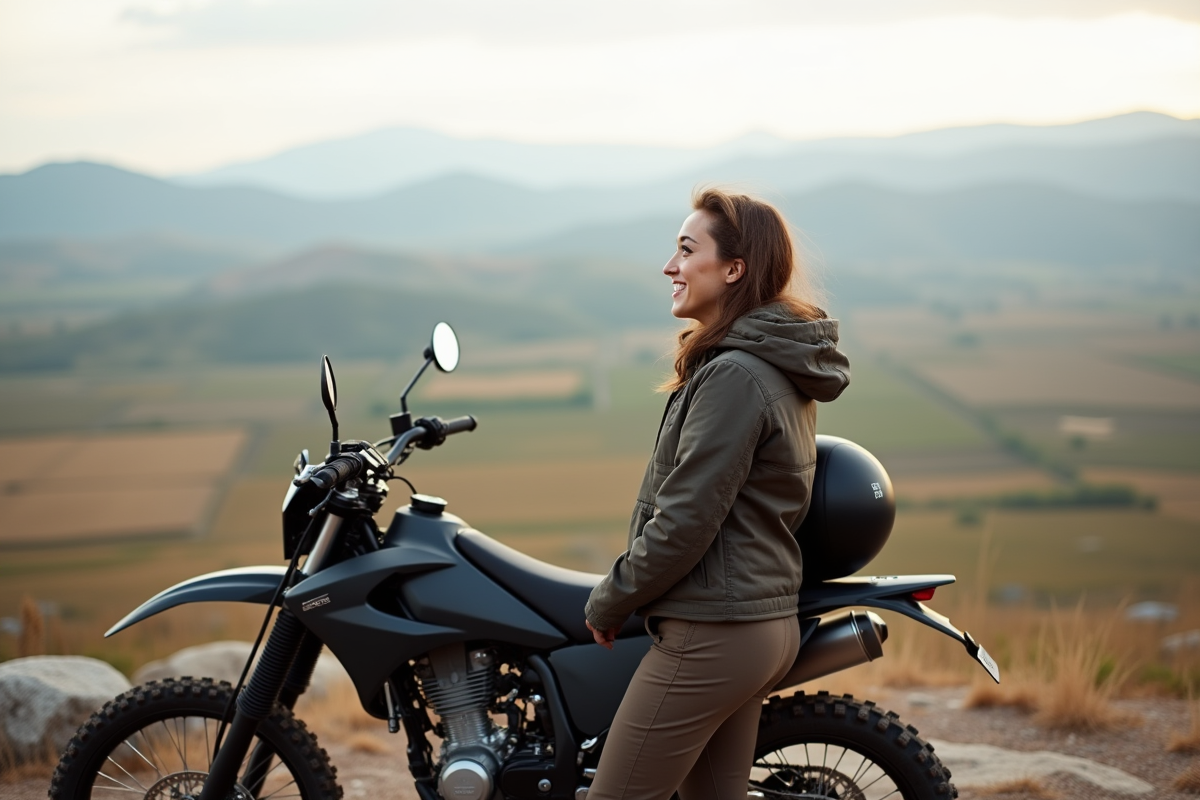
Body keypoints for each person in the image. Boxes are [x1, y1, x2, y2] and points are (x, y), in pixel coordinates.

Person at [583, 188, 850, 800]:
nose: (669, 267)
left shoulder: (734, 374)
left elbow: (686, 519)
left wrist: (612, 597)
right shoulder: (764, 364)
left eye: (685, 249)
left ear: (733, 269)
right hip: (757, 621)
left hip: (716, 631)